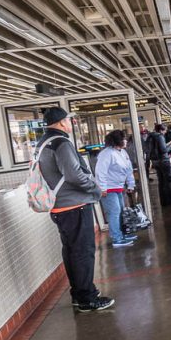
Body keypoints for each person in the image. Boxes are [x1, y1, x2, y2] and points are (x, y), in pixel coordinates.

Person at [37, 107, 114, 313]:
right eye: (68, 121)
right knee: (83, 252)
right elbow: (73, 175)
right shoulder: (61, 143)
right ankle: (87, 298)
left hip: (60, 206)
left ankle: (79, 294)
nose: (71, 124)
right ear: (62, 123)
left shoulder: (43, 142)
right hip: (74, 206)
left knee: (71, 251)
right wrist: (95, 190)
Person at [95, 129, 137, 248]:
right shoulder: (106, 153)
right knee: (114, 212)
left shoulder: (122, 152)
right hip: (108, 188)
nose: (125, 141)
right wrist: (102, 188)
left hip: (119, 187)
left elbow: (128, 169)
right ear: (117, 140)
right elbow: (100, 172)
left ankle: (122, 234)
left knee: (120, 211)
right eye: (123, 139)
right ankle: (117, 238)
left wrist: (130, 184)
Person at [150, 123, 171, 206]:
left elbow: (159, 147)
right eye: (164, 131)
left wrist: (167, 144)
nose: (165, 132)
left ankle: (163, 201)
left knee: (161, 181)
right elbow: (164, 150)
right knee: (168, 181)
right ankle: (170, 201)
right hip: (163, 161)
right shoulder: (159, 136)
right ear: (161, 130)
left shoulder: (151, 136)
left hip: (156, 161)